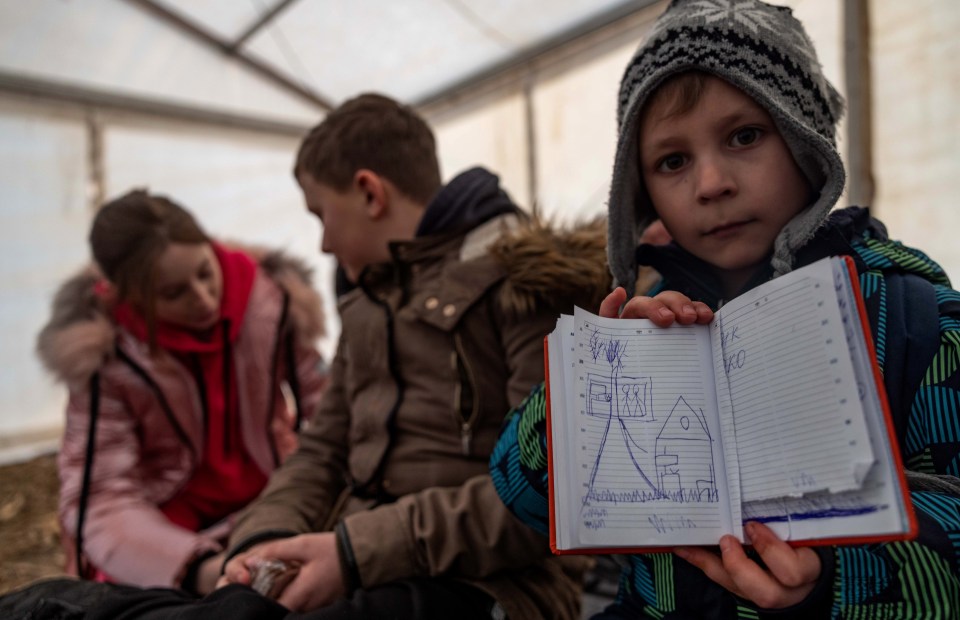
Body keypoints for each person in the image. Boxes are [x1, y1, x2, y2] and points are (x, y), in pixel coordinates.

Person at [490, 0, 960, 617]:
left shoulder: (913, 317)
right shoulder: (647, 320)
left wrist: (830, 578)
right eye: (672, 161)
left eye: (744, 136)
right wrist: (590, 385)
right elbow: (522, 497)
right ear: (641, 191)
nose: (710, 183)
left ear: (805, 138)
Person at [209, 93, 615, 619]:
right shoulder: (367, 306)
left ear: (369, 193)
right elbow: (322, 449)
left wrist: (354, 553)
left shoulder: (526, 284)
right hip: (357, 561)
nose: (326, 243)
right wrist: (264, 540)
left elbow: (549, 489)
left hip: (493, 586)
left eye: (321, 215)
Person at [35, 190, 329, 595]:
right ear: (127, 296)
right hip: (166, 524)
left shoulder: (272, 305)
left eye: (206, 272)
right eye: (174, 293)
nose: (204, 299)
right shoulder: (105, 355)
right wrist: (196, 569)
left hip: (276, 492)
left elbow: (328, 409)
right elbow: (101, 496)